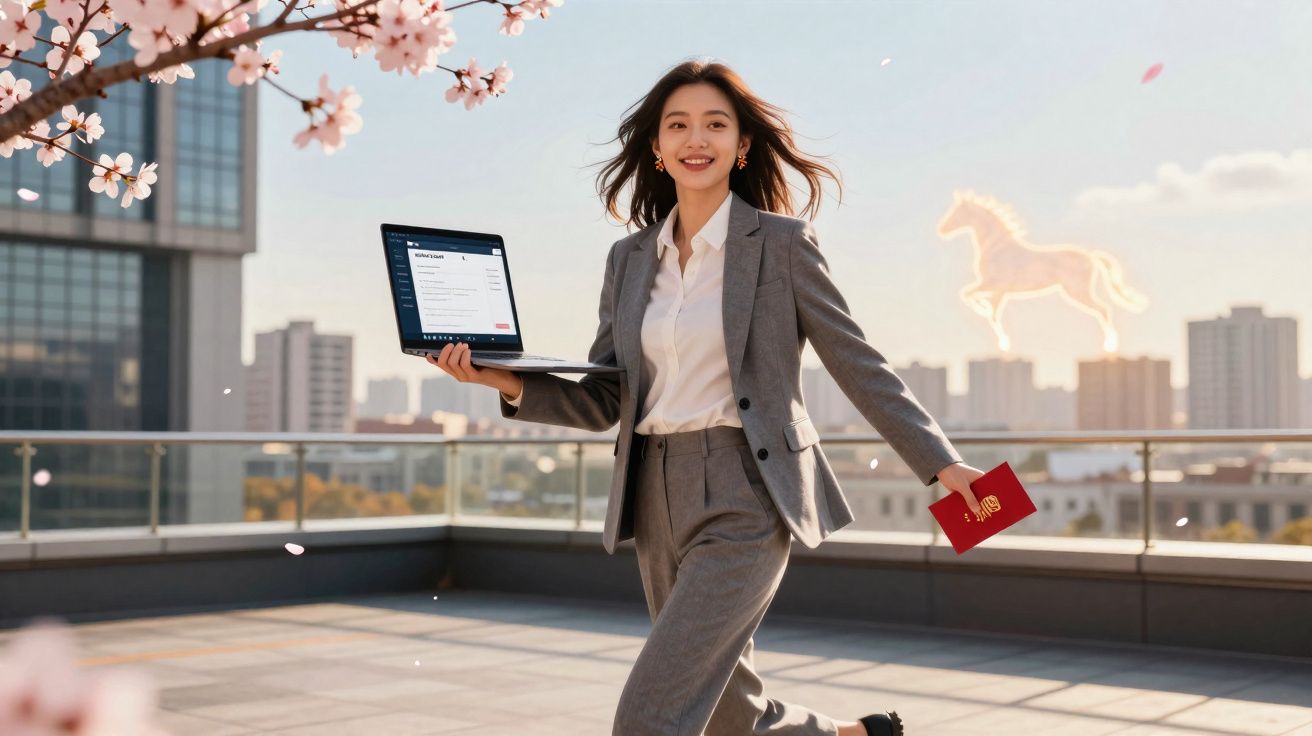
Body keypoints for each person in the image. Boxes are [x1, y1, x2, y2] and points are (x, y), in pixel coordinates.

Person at [428, 58, 986, 736]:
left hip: (748, 491)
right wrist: (502, 380)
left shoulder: (781, 246)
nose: (697, 138)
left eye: (715, 124)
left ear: (742, 145)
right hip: (653, 492)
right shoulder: (629, 260)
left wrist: (939, 462)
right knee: (725, 706)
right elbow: (608, 398)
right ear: (657, 149)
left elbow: (857, 360)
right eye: (679, 125)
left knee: (652, 712)